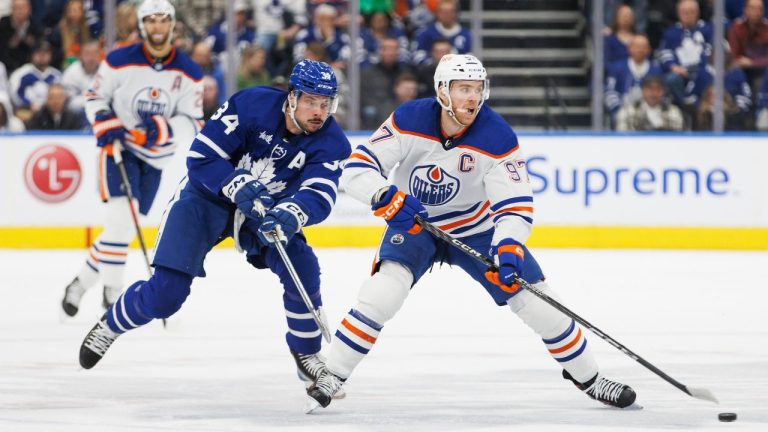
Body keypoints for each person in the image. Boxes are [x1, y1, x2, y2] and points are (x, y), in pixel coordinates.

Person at [305, 54, 637, 412]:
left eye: (478, 89)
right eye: (464, 89)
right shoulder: (409, 118)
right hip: (416, 224)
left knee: (541, 304)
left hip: (476, 229)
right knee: (382, 292)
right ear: (442, 91)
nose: (472, 98)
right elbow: (358, 168)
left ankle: (589, 377)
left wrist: (508, 247)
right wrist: (385, 196)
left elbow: (514, 205)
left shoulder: (497, 136)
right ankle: (333, 374)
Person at [76, 59, 352, 393]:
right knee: (166, 295)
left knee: (303, 266)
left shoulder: (332, 142)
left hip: (265, 211)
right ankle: (111, 324)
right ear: (291, 97)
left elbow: (320, 194)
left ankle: (307, 354)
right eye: (310, 101)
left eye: (325, 104)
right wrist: (233, 182)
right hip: (206, 198)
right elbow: (202, 157)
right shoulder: (252, 105)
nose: (319, 112)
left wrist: (293, 211)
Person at [60, 0, 205, 317]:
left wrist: (160, 129)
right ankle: (112, 294)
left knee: (121, 227)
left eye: (163, 20)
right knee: (120, 219)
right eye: (151, 20)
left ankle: (80, 284)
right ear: (142, 25)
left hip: (156, 159)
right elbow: (95, 97)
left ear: (172, 25)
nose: (157, 26)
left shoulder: (189, 71)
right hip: (118, 150)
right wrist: (106, 121)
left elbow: (193, 121)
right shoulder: (118, 60)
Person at [616, 75, 684, 131]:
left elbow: (677, 136)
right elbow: (621, 136)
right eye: (650, 89)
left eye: (658, 90)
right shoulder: (628, 110)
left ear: (663, 92)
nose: (654, 94)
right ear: (643, 91)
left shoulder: (673, 111)